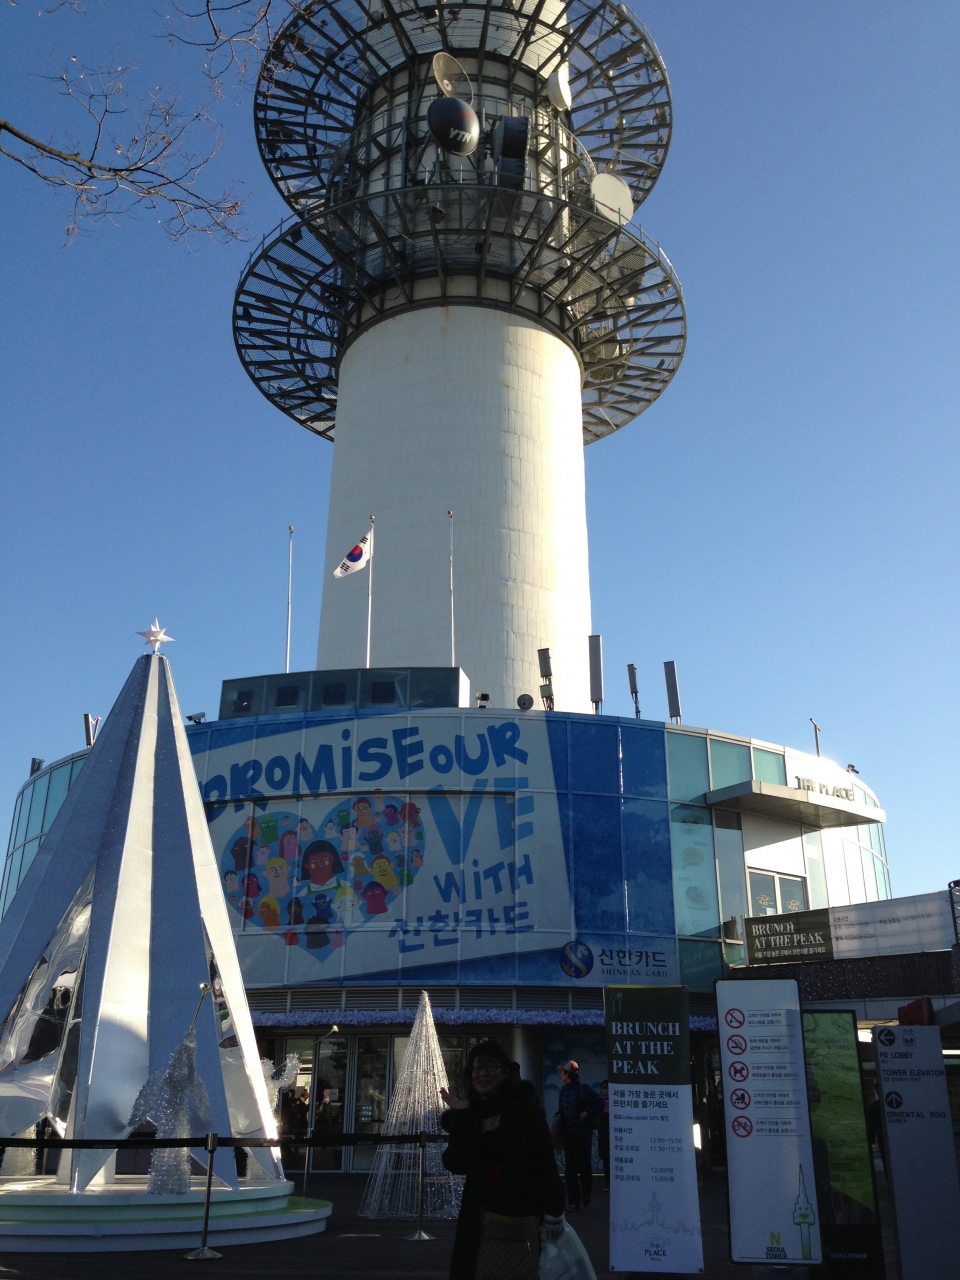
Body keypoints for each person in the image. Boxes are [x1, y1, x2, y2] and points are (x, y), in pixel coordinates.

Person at [441, 1040, 565, 1280]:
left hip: (518, 1213)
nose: (483, 1073)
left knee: (514, 1270)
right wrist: (462, 1117)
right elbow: (455, 1164)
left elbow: (544, 1161)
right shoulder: (471, 1112)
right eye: (477, 1067)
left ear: (505, 1072)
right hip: (478, 1216)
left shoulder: (523, 1108)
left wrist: (554, 1211)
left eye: (490, 1066)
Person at [555, 1059, 603, 1211]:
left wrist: (588, 1114)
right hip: (568, 1136)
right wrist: (558, 1116)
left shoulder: (584, 1088)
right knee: (570, 1170)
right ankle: (574, 1202)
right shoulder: (563, 1091)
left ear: (568, 1074)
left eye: (562, 1072)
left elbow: (600, 1103)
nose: (561, 1075)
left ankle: (586, 1193)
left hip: (583, 1135)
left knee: (584, 1167)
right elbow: (561, 1110)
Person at [597, 1080, 610, 1191]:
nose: (603, 1090)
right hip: (603, 1133)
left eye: (606, 1088)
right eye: (602, 1088)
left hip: (614, 1134)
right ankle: (608, 1182)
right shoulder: (599, 1103)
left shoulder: (617, 1102)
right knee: (606, 1158)